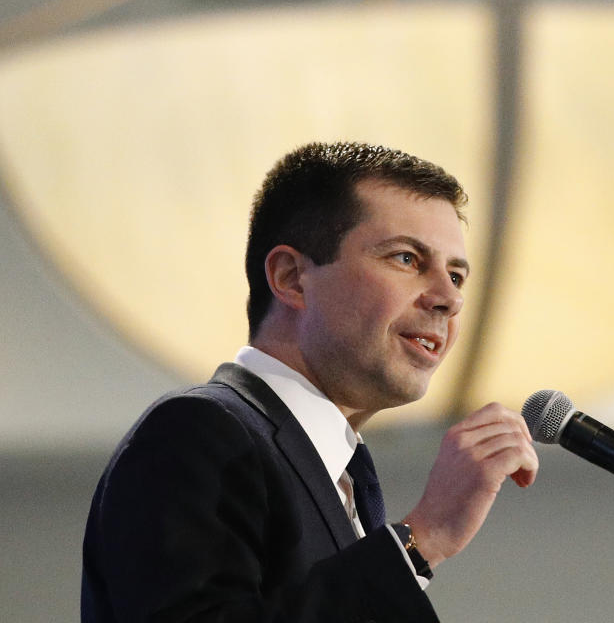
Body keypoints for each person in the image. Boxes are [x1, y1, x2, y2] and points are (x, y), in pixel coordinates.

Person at [81, 141, 539, 622]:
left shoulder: (348, 479)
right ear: (291, 278)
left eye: (457, 276)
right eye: (406, 259)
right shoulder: (197, 434)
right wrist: (420, 539)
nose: (449, 299)